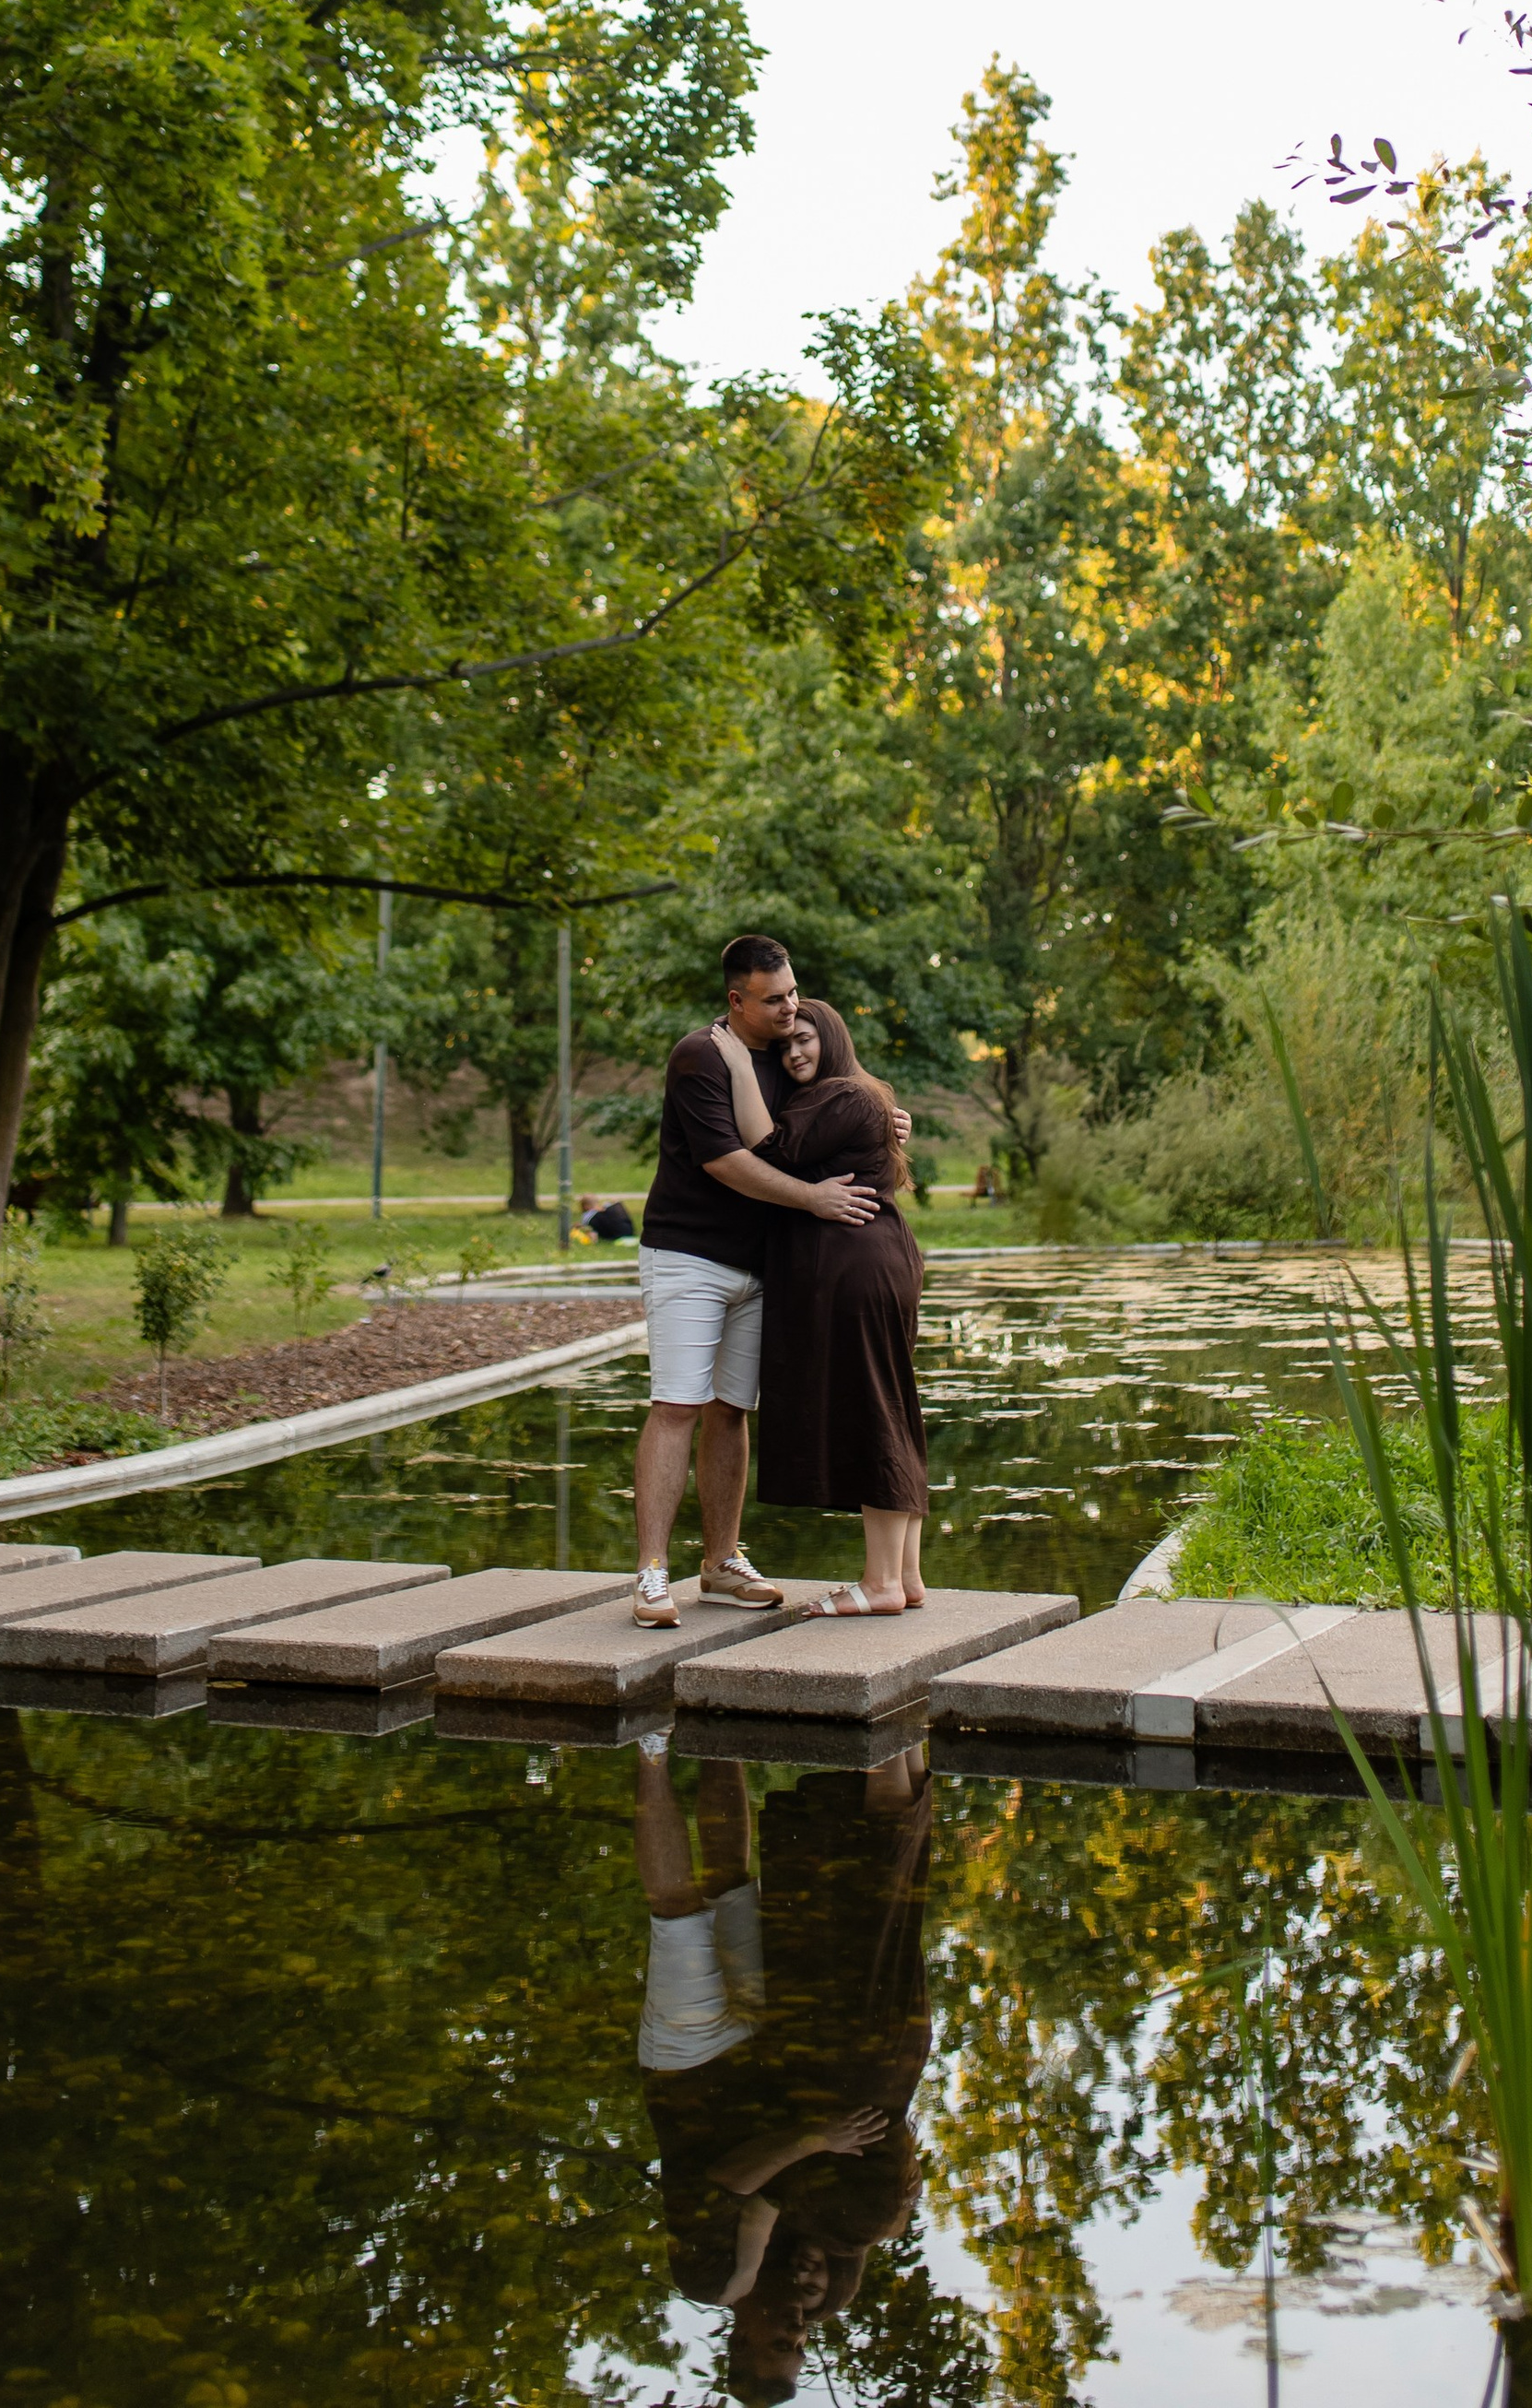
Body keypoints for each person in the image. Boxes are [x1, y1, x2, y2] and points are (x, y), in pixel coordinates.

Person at [633, 1740, 934, 2405]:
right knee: (733, 1880)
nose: (795, 2333)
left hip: (689, 2073)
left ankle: (651, 1749)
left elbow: (736, 2180)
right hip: (765, 2055)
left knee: (678, 1910)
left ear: (738, 2343)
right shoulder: (817, 2256)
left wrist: (812, 2142)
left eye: (778, 2345)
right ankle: (717, 1731)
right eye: (799, 2349)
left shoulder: (716, 2281)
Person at [630, 936, 879, 1630]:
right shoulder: (701, 1057)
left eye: (794, 992)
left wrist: (882, 1115)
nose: (790, 1008)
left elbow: (821, 1115)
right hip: (689, 1256)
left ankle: (719, 1563)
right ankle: (653, 1573)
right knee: (677, 1404)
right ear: (736, 999)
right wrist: (811, 1199)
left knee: (731, 1409)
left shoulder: (783, 1051)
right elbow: (728, 1162)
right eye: (774, 999)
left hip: (760, 1264)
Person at [712, 997, 930, 1619]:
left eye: (804, 1038)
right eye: (785, 1046)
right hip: (871, 1265)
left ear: (831, 1039)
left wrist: (735, 1060)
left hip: (859, 1268)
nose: (794, 1052)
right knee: (888, 1408)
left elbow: (772, 1148)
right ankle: (905, 1578)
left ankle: (881, 1583)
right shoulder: (856, 1099)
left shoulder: (847, 1096)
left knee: (874, 1413)